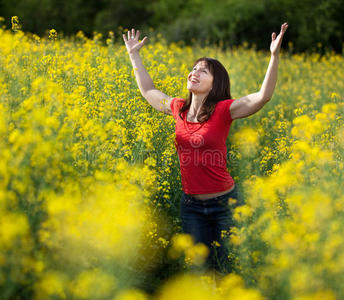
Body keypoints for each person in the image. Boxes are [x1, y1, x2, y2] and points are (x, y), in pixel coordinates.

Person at [123, 23, 288, 275]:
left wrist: (274, 56)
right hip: (191, 206)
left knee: (226, 271)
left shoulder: (224, 110)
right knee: (198, 272)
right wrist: (134, 54)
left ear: (215, 83)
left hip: (225, 204)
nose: (194, 73)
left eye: (203, 71)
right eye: (193, 69)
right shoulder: (178, 107)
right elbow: (148, 90)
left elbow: (262, 96)